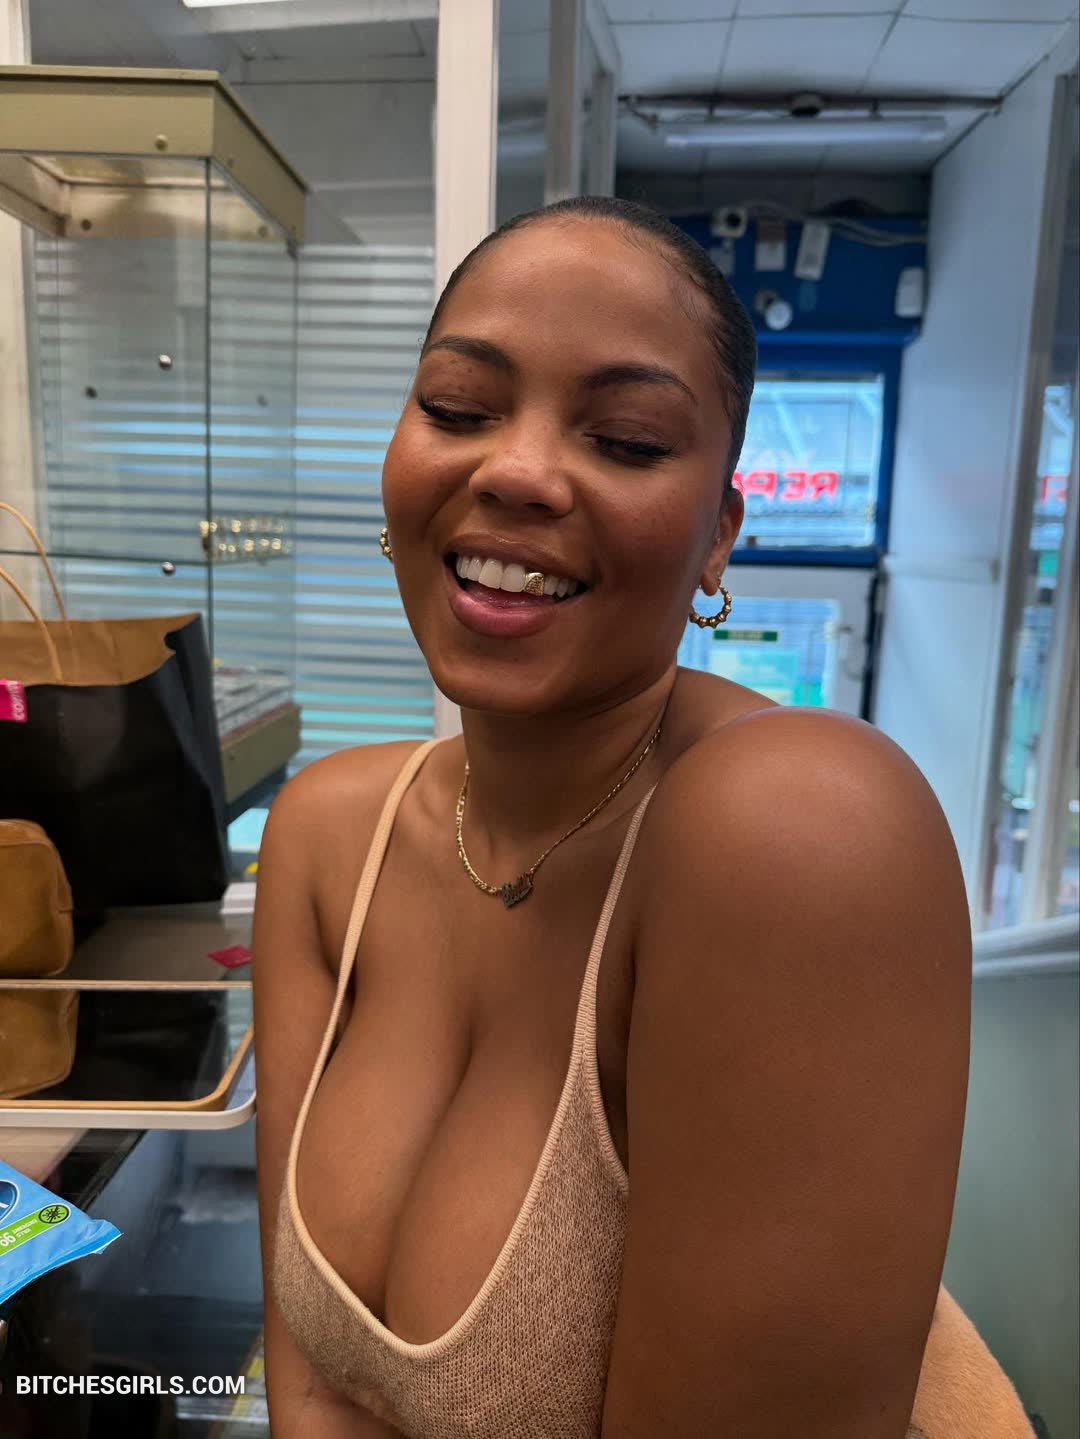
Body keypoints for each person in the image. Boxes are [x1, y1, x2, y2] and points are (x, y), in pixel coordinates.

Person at [253, 196, 974, 1438]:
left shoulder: (801, 828)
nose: (514, 470)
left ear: (718, 538)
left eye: (628, 438)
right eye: (458, 408)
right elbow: (314, 1384)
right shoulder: (328, 835)